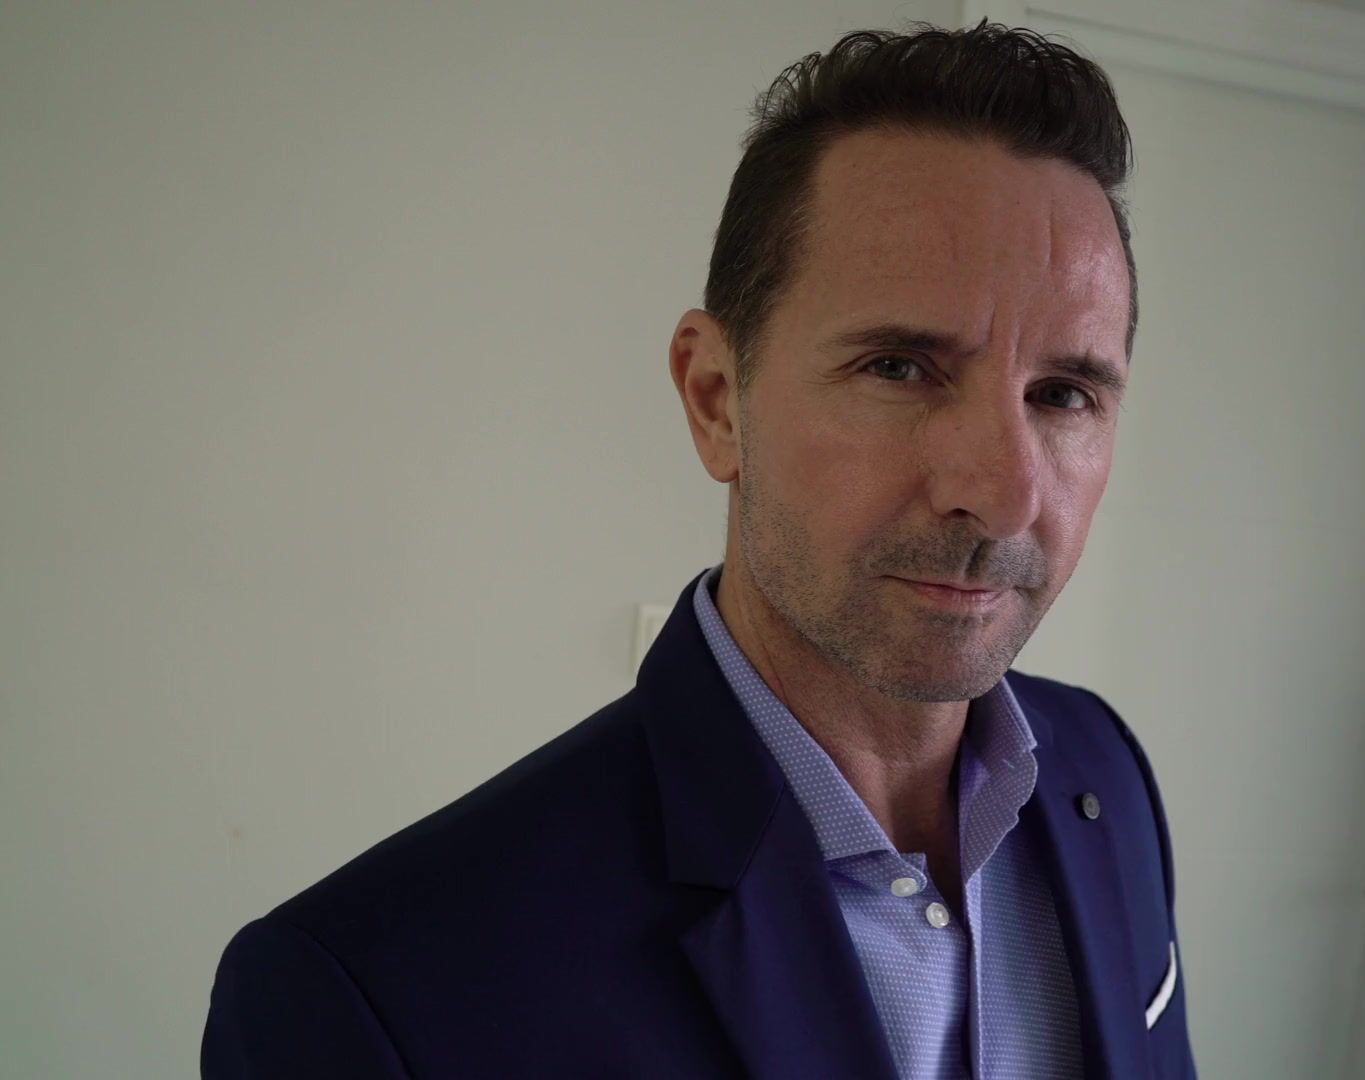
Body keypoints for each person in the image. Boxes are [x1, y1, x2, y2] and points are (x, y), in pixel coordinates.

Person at [201, 21, 1193, 1079]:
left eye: (1063, 393)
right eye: (900, 368)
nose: (1000, 495)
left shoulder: (1103, 773)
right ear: (717, 399)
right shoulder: (373, 993)